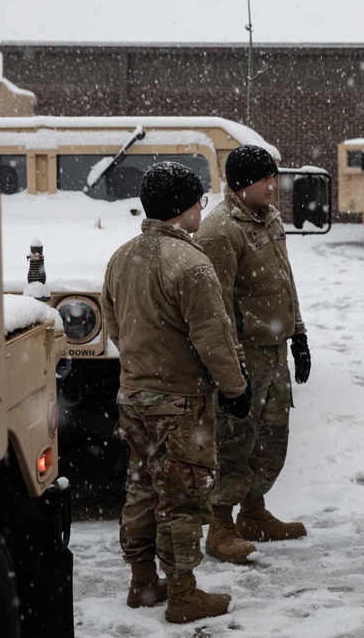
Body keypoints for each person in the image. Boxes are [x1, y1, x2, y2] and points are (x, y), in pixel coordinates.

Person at [100, 161, 251, 623]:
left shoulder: (122, 256)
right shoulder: (191, 263)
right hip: (180, 403)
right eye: (200, 203)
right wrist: (235, 388)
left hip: (133, 398)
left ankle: (143, 582)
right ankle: (184, 593)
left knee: (142, 488)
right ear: (185, 210)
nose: (202, 211)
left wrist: (143, 368)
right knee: (182, 496)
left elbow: (113, 325)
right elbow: (214, 338)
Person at [193, 144, 311, 564]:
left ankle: (254, 512)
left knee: (273, 437)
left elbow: (285, 279)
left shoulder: (269, 218)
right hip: (245, 356)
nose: (273, 186)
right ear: (244, 184)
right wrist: (232, 367)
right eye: (266, 179)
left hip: (274, 350)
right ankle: (221, 525)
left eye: (273, 177)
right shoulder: (220, 231)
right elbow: (217, 306)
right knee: (235, 440)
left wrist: (298, 333)